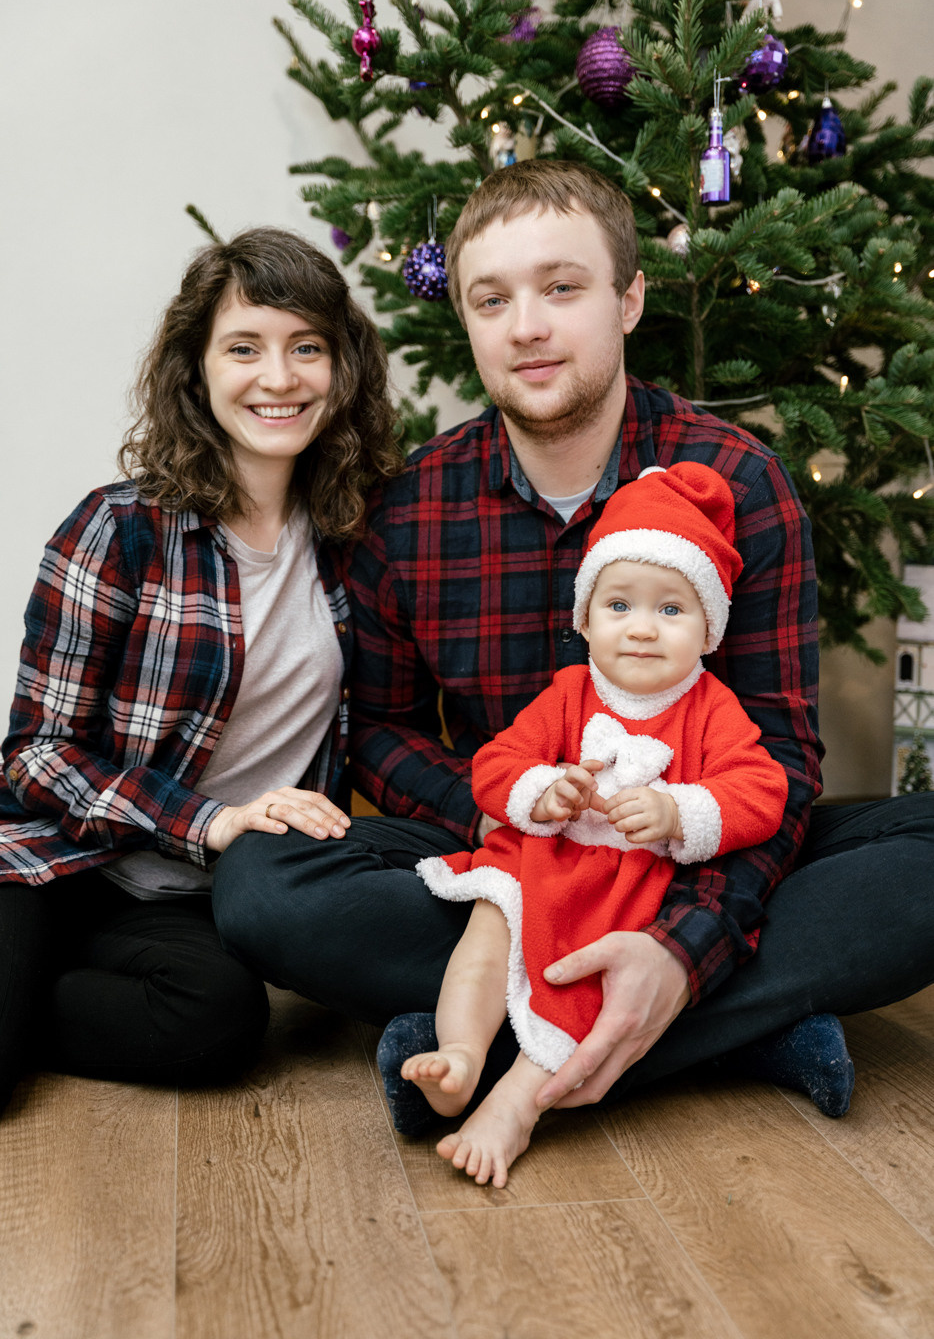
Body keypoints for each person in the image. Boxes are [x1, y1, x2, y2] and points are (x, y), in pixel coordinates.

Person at [212, 162, 934, 1147]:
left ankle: (506, 1043)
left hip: (689, 852)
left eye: (561, 287)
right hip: (507, 867)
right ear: (465, 317)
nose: (526, 327)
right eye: (492, 298)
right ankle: (738, 1028)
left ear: (627, 297)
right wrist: (514, 805)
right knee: (261, 882)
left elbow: (780, 758)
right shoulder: (411, 506)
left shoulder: (737, 479)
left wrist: (681, 945)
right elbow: (375, 731)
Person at [0, 227, 402, 1116]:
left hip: (187, 905)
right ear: (198, 371)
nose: (280, 378)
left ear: (343, 369)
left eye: (308, 348)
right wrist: (211, 820)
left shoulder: (356, 538)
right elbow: (35, 753)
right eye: (245, 348)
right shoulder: (119, 528)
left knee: (218, 1024)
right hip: (51, 859)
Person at [389, 462, 789, 1187]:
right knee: (487, 930)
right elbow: (496, 762)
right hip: (538, 859)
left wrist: (679, 811)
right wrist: (541, 790)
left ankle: (515, 1107)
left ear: (709, 631)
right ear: (584, 618)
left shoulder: (712, 708)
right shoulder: (570, 691)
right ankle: (460, 1055)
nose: (641, 628)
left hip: (623, 889)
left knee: (581, 987)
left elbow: (763, 789)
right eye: (620, 606)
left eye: (672, 610)